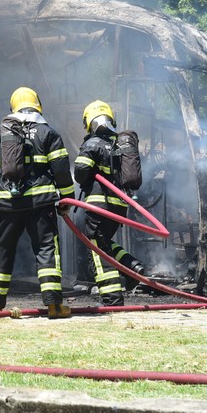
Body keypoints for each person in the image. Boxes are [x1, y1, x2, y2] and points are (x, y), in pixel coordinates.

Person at [0, 87, 75, 318]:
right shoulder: (48, 134)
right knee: (46, 250)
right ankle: (54, 306)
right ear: (37, 105)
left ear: (13, 107)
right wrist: (67, 199)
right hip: (41, 205)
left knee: (2, 251)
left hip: (7, 205)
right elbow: (61, 169)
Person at [73, 99, 147, 306]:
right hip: (118, 206)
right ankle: (132, 267)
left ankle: (112, 299)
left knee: (97, 249)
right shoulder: (120, 145)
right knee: (104, 241)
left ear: (89, 121)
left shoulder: (92, 143)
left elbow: (80, 173)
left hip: (98, 205)